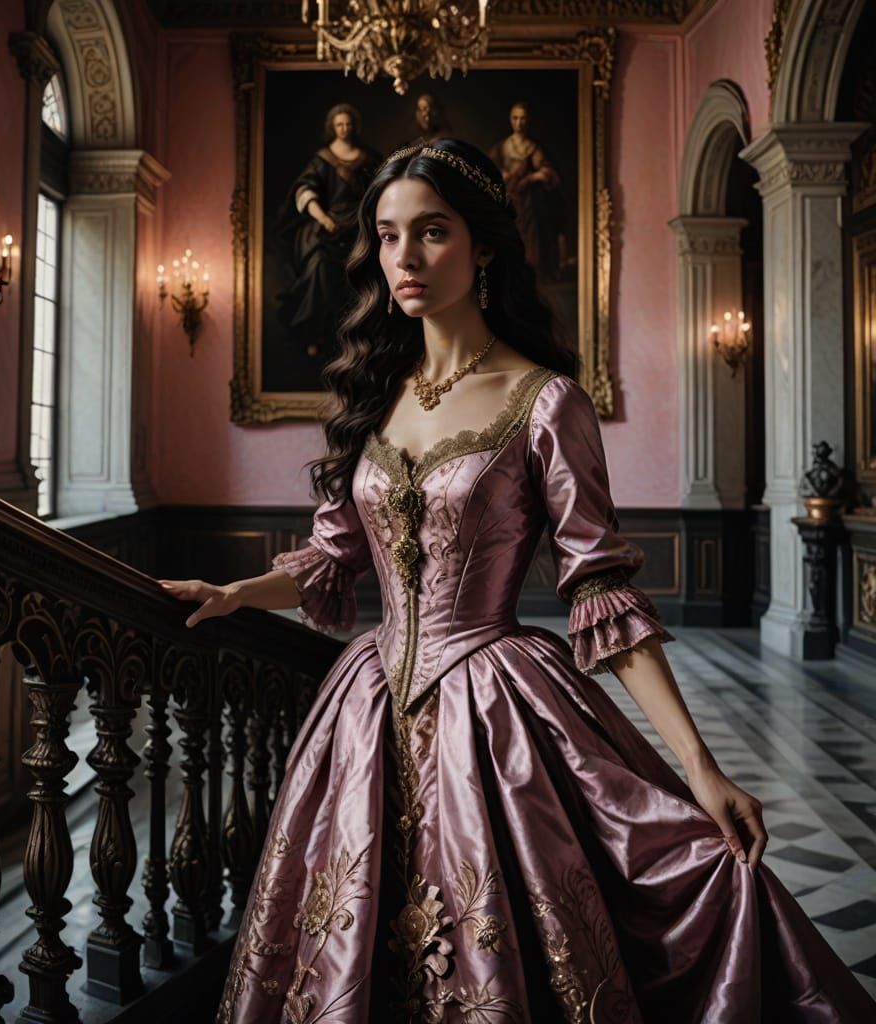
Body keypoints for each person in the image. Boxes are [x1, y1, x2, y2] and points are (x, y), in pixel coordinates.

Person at [161, 138, 876, 1022]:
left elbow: (601, 591)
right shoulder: (371, 395)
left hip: (495, 712)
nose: (405, 257)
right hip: (365, 710)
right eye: (388, 235)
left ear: (483, 247)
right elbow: (333, 555)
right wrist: (235, 595)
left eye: (432, 231)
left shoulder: (545, 401)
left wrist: (700, 767)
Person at [273, 102, 383, 360]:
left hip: (360, 226)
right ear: (332, 128)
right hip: (329, 227)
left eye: (348, 124)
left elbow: (381, 191)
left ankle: (363, 337)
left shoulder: (368, 158)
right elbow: (304, 190)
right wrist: (323, 218)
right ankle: (314, 335)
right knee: (319, 268)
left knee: (367, 271)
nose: (344, 128)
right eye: (339, 124)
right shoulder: (323, 159)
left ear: (354, 126)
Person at [488, 101, 568, 280]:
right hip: (507, 201)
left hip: (529, 204)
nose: (519, 123)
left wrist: (531, 178)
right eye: (515, 118)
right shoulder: (502, 147)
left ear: (528, 120)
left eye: (523, 118)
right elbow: (487, 170)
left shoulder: (533, 148)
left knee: (531, 242)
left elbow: (548, 172)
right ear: (510, 120)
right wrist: (502, 174)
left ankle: (531, 278)